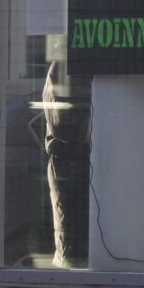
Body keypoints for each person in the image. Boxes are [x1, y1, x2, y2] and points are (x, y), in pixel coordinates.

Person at [42, 60, 92, 268]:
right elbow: (64, 123)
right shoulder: (66, 65)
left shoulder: (66, 65)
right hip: (70, 164)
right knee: (72, 250)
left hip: (73, 161)